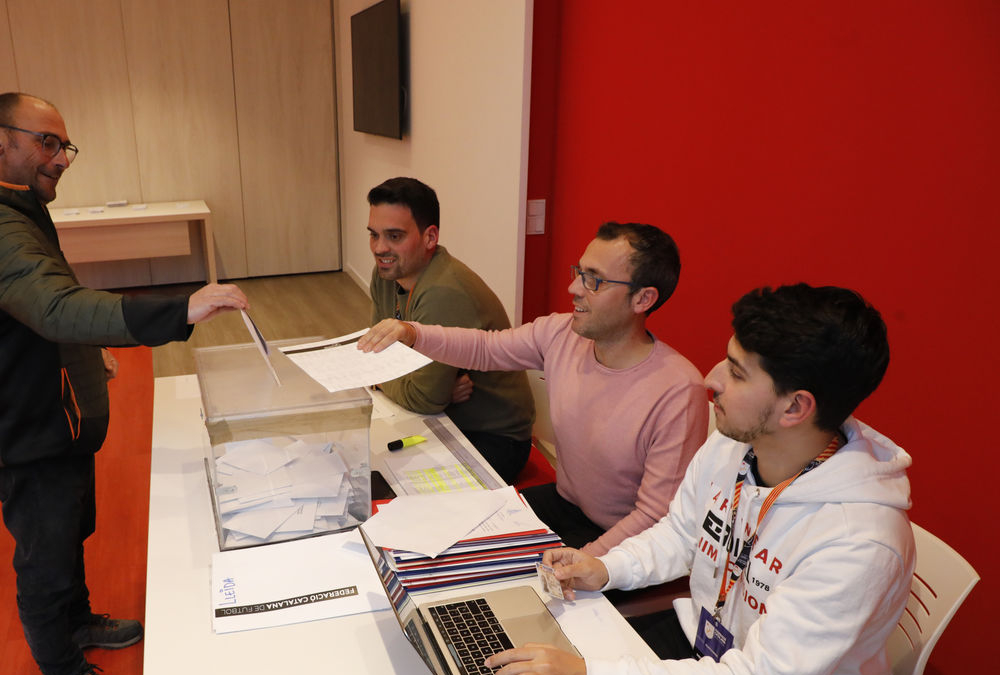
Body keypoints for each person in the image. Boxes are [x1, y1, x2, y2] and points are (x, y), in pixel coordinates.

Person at [0, 92, 249, 675]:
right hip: (27, 418)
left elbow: (27, 307)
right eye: (46, 142)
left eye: (63, 145)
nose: (61, 158)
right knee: (44, 556)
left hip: (55, 403)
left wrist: (84, 357)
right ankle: (63, 664)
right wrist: (180, 309)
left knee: (69, 529)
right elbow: (52, 305)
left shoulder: (12, 208)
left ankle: (79, 619)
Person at [488, 284, 915, 674]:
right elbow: (681, 533)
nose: (711, 380)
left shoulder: (857, 543)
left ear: (795, 408)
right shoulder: (733, 446)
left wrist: (586, 673)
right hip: (700, 647)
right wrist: (605, 568)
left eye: (737, 372)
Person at [360, 222, 708, 554]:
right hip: (564, 504)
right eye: (579, 272)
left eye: (594, 281)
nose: (574, 289)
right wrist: (413, 333)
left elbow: (654, 518)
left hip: (624, 542)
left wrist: (588, 559)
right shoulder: (561, 334)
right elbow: (485, 348)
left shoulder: (677, 390)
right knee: (445, 536)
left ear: (643, 299)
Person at [366, 177, 534, 484]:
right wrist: (415, 385)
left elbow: (422, 398)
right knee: (360, 466)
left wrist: (381, 379)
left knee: (381, 486)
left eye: (394, 236)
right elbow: (375, 355)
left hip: (492, 439)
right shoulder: (386, 275)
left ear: (430, 237)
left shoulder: (444, 292)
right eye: (374, 235)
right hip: (438, 420)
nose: (380, 248)